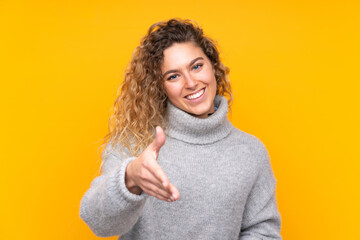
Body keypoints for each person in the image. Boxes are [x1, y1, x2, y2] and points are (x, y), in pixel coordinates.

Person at [79, 18, 282, 239]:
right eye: (173, 76)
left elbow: (263, 231)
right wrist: (130, 179)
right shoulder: (134, 143)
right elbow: (98, 223)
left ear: (213, 66)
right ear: (160, 86)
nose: (191, 82)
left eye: (196, 66)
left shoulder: (250, 151)